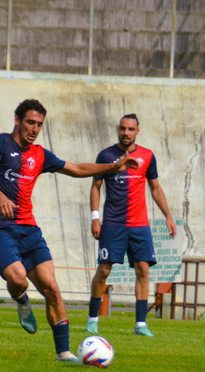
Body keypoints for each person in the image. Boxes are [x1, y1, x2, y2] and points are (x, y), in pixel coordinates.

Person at [0, 98, 139, 363]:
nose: (35, 128)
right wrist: (0, 198)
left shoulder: (40, 154)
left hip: (28, 228)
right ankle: (22, 300)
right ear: (17, 120)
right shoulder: (0, 142)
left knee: (51, 287)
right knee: (18, 278)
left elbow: (76, 169)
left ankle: (63, 352)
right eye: (30, 122)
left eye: (39, 124)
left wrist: (113, 167)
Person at [85, 114, 177, 337]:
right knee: (104, 270)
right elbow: (95, 186)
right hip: (113, 224)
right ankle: (92, 319)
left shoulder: (147, 156)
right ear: (119, 129)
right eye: (123, 129)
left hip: (139, 225)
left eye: (131, 129)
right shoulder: (106, 155)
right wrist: (95, 217)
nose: (126, 133)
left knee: (143, 270)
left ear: (138, 131)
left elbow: (155, 187)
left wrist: (167, 215)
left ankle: (140, 325)